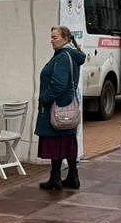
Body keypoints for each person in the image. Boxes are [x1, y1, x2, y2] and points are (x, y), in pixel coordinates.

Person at [35, 26, 86, 190]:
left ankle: (58, 178)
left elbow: (58, 84)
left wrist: (44, 98)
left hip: (58, 107)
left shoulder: (63, 56)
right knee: (66, 141)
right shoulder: (69, 54)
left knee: (57, 141)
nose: (51, 40)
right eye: (51, 37)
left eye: (55, 37)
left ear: (66, 39)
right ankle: (69, 176)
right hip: (67, 107)